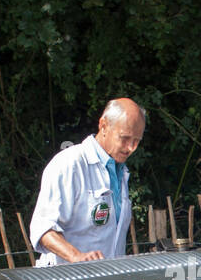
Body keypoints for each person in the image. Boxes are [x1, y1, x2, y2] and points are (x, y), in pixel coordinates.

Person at [29, 98, 146, 266]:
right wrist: (76, 256)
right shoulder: (70, 164)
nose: (130, 148)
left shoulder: (121, 171)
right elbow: (43, 228)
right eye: (125, 138)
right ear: (103, 126)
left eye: (137, 141)